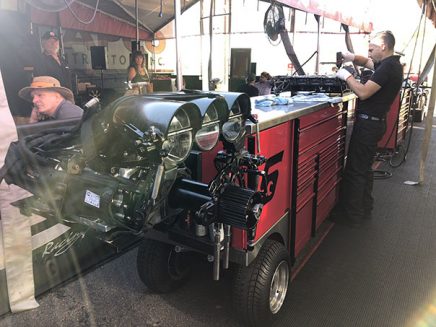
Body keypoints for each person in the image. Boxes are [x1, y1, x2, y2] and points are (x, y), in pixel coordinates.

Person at [334, 30, 403, 227]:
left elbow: (363, 93)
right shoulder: (391, 64)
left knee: (356, 170)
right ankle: (365, 208)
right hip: (374, 123)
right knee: (364, 169)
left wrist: (346, 76)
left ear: (383, 46)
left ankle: (352, 216)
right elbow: (368, 63)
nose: (369, 53)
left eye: (372, 49)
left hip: (368, 126)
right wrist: (351, 57)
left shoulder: (388, 68)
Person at [18, 76, 83, 123]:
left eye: (40, 95)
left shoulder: (69, 115)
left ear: (57, 97)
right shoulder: (55, 115)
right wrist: (34, 120)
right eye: (33, 97)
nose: (34, 101)